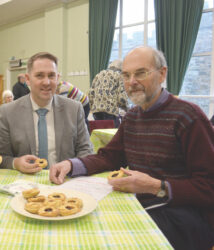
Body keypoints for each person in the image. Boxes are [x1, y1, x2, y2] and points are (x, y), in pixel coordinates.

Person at [50, 46, 214, 250]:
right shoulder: (133, 117)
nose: (131, 82)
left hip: (182, 217)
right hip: (142, 205)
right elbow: (109, 158)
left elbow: (209, 187)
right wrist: (70, 164)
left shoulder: (189, 117)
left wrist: (155, 186)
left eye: (140, 73)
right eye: (126, 75)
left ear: (162, 74)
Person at [0, 52, 93, 174]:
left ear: (57, 78)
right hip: (23, 183)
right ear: (28, 79)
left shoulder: (74, 109)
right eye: (39, 76)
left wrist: (71, 165)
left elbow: (86, 150)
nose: (46, 82)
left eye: (51, 76)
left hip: (65, 181)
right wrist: (16, 163)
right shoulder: (8, 112)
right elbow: (1, 157)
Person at [88, 60, 129, 127]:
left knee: (100, 134)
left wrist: (92, 108)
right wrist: (127, 109)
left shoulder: (99, 75)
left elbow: (91, 94)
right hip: (110, 111)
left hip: (96, 111)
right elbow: (122, 98)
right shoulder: (118, 76)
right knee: (112, 135)